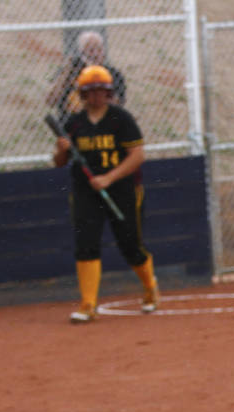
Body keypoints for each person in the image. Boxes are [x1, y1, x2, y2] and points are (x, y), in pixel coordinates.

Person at [51, 65, 158, 323]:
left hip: (123, 189)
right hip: (86, 191)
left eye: (101, 91)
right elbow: (59, 162)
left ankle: (149, 286)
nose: (96, 97)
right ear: (82, 94)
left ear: (109, 93)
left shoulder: (121, 119)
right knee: (86, 242)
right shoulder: (73, 123)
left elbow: (137, 155)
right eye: (90, 92)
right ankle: (88, 304)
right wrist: (62, 149)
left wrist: (109, 178)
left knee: (130, 245)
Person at [46, 30, 127, 122]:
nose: (96, 54)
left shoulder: (112, 73)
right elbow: (50, 101)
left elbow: (117, 105)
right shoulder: (69, 72)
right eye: (91, 50)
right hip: (71, 125)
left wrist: (96, 76)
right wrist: (66, 72)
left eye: (99, 49)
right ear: (81, 53)